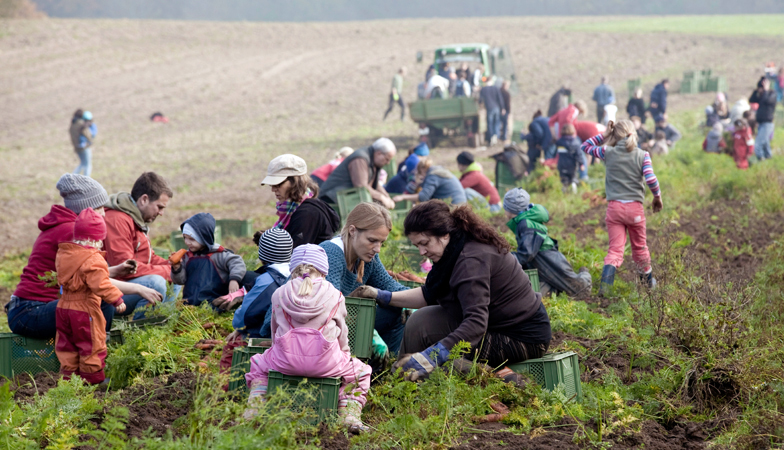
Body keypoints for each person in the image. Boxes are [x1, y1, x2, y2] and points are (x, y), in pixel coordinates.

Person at [353, 200, 551, 380]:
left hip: (521, 336)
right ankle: (404, 382)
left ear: (444, 234)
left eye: (424, 243)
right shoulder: (452, 250)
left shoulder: (470, 261)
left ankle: (501, 378)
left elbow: (475, 324)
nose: (422, 252)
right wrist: (381, 296)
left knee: (444, 363)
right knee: (420, 320)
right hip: (494, 324)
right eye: (417, 245)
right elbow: (427, 295)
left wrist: (432, 355)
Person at [6, 174, 161, 340]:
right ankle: (101, 346)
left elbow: (83, 273)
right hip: (30, 312)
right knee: (98, 297)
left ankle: (99, 346)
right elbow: (94, 281)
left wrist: (114, 270)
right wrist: (139, 289)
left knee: (111, 293)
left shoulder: (70, 227)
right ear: (87, 209)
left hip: (35, 309)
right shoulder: (72, 232)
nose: (103, 214)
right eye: (100, 208)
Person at [244, 244, 372, 432]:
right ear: (323, 270)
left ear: (293, 269)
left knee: (258, 366)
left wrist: (275, 351)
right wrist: (345, 354)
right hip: (326, 363)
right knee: (361, 372)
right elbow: (342, 334)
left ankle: (255, 410)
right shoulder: (335, 295)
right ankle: (349, 415)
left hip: (284, 361)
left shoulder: (280, 293)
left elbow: (274, 331)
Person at [580, 120, 663, 296]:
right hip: (635, 210)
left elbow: (585, 146)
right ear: (634, 134)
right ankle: (648, 285)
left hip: (614, 209)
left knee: (615, 250)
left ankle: (605, 289)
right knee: (640, 248)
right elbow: (651, 179)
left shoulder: (607, 152)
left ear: (614, 136)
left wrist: (603, 135)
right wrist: (657, 197)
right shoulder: (643, 155)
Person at [319, 202, 407, 354]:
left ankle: (388, 368)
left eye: (381, 243)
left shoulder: (367, 258)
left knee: (399, 311)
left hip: (341, 321)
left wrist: (408, 301)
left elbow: (390, 285)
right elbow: (329, 309)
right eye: (372, 240)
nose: (377, 249)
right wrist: (369, 334)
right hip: (311, 329)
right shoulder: (331, 254)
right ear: (353, 230)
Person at [55, 208, 125, 386]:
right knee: (92, 344)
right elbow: (100, 283)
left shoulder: (64, 253)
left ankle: (68, 381)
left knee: (66, 345)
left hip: (63, 307)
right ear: (96, 238)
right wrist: (116, 298)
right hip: (83, 308)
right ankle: (92, 381)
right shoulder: (92, 258)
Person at [104, 172, 179, 319]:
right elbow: (125, 268)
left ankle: (164, 324)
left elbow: (147, 258)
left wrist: (172, 266)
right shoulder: (117, 220)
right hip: (111, 293)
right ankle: (141, 332)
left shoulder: (136, 218)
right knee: (156, 283)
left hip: (126, 285)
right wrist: (166, 271)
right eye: (159, 207)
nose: (161, 213)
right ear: (144, 199)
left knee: (177, 276)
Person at [218, 228, 293, 375]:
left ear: (262, 256)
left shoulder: (266, 281)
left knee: (231, 347)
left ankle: (225, 388)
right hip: (288, 334)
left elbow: (247, 313)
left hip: (263, 334)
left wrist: (239, 327)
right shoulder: (294, 274)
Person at [504, 188, 592, 297]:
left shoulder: (526, 224)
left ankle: (585, 275)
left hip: (549, 260)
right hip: (541, 262)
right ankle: (553, 288)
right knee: (535, 295)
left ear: (510, 209)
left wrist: (506, 258)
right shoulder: (524, 220)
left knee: (578, 289)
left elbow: (526, 254)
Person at [170, 213, 248, 307]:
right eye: (185, 238)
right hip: (191, 305)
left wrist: (234, 279)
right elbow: (180, 281)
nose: (187, 242)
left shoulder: (219, 255)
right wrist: (177, 268)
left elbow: (237, 263)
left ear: (204, 238)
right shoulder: (187, 257)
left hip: (216, 305)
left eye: (192, 239)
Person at [262, 154, 340, 248]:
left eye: (278, 184)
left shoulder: (307, 214)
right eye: (271, 185)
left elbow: (293, 254)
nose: (273, 189)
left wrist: (268, 244)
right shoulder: (295, 209)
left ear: (295, 182)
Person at [319, 138, 397, 209]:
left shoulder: (372, 160)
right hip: (330, 201)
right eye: (387, 159)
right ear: (379, 153)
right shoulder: (360, 159)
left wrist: (386, 196)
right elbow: (361, 187)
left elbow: (374, 184)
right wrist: (382, 198)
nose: (388, 163)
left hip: (342, 201)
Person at [392, 159, 467, 205]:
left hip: (454, 205)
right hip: (460, 203)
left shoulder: (433, 176)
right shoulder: (438, 171)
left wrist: (403, 197)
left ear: (422, 169)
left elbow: (423, 196)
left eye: (420, 173)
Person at [749, 76, 777, 160]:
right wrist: (756, 90)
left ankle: (761, 160)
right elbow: (751, 100)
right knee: (765, 144)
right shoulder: (762, 95)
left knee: (758, 144)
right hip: (761, 123)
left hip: (767, 123)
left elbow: (767, 101)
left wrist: (765, 90)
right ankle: (769, 159)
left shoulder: (772, 94)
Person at [555, 123, 582, 193]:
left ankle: (564, 189)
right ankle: (573, 185)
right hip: (572, 165)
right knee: (573, 177)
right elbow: (579, 154)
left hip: (562, 164)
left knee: (564, 179)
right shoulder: (576, 142)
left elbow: (556, 152)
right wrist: (581, 164)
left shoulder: (559, 142)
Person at [479, 79, 506, 146]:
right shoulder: (495, 88)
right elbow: (500, 98)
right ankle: (496, 136)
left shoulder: (483, 89)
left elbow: (480, 99)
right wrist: (502, 108)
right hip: (496, 107)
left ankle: (491, 137)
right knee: (496, 122)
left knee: (490, 123)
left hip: (489, 108)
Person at [69, 110, 96, 177]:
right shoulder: (81, 125)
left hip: (77, 147)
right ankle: (86, 180)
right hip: (84, 147)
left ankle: (72, 177)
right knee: (87, 164)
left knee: (82, 164)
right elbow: (88, 134)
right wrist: (90, 141)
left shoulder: (72, 125)